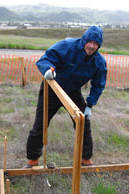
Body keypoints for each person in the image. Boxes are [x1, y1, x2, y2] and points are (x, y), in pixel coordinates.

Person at [25, 26, 107, 168]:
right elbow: (45, 60)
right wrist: (48, 70)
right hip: (52, 88)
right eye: (90, 42)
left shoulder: (99, 62)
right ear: (84, 40)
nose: (92, 46)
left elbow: (98, 85)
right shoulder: (67, 46)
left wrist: (89, 105)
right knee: (40, 124)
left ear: (99, 45)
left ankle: (86, 160)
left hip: (72, 91)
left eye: (96, 44)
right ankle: (32, 161)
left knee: (83, 123)